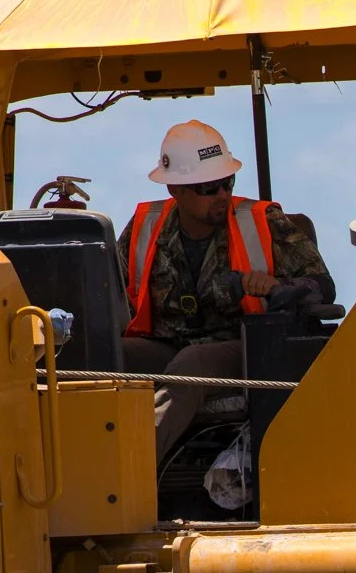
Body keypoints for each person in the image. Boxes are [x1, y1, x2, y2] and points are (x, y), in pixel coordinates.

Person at [117, 121, 335, 460]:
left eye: (226, 182)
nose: (222, 194)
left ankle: (126, 474)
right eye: (208, 187)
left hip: (242, 348)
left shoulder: (263, 220)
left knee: (192, 363)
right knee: (109, 354)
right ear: (176, 189)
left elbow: (322, 285)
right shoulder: (145, 226)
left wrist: (278, 287)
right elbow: (111, 293)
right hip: (165, 344)